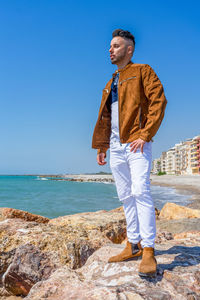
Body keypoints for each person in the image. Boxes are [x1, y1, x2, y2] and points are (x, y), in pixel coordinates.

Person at [92, 29, 167, 277]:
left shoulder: (142, 71)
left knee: (140, 192)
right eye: (110, 46)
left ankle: (148, 250)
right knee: (125, 195)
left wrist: (145, 134)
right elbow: (106, 117)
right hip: (115, 146)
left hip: (137, 143)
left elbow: (159, 102)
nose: (110, 50)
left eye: (115, 46)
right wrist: (102, 146)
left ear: (129, 49)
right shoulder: (111, 80)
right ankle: (132, 244)